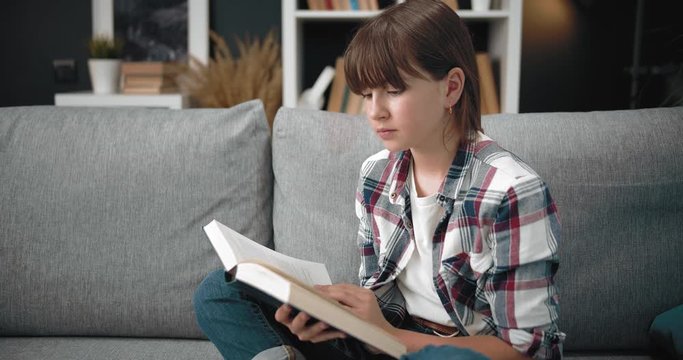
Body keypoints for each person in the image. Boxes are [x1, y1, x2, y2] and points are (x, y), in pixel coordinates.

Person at [193, 0, 564, 359]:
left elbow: (525, 351)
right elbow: (381, 299)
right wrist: (335, 318)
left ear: (451, 87)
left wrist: (388, 336)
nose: (375, 111)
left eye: (393, 90)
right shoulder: (376, 174)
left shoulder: (511, 192)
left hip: (454, 353)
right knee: (220, 290)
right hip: (384, 342)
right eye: (367, 94)